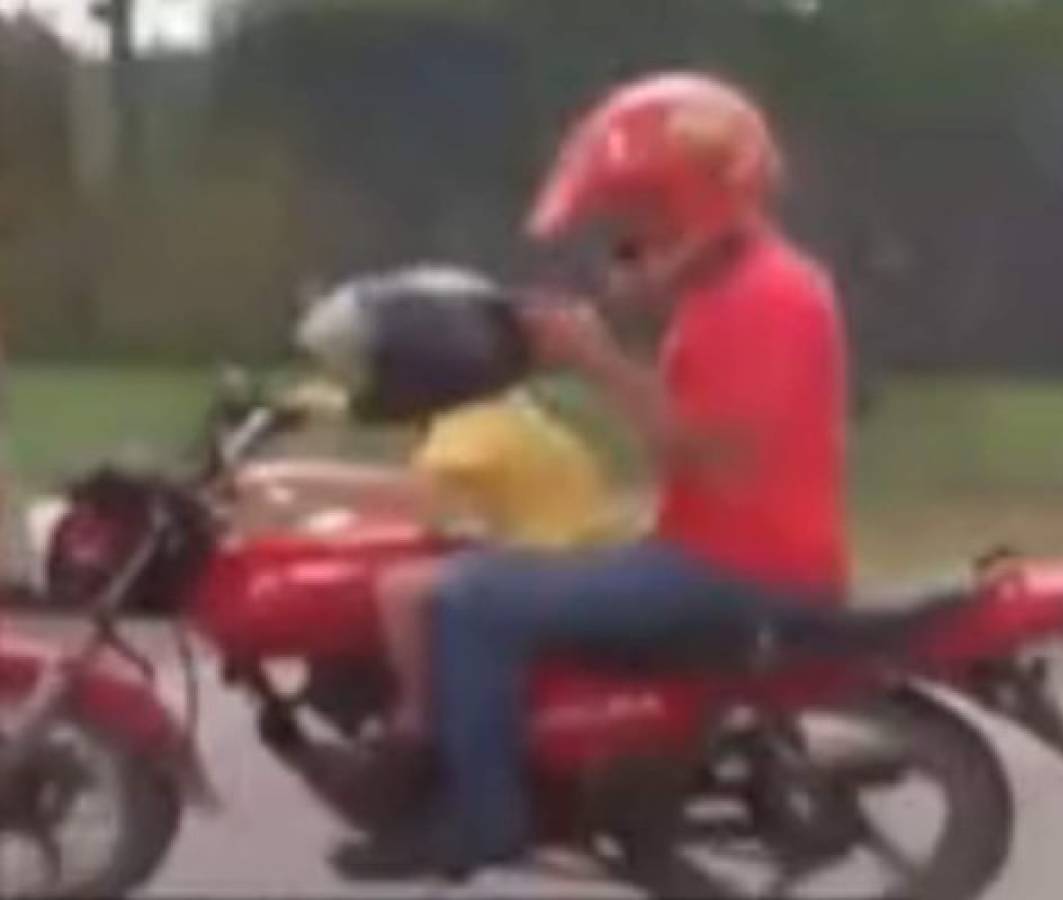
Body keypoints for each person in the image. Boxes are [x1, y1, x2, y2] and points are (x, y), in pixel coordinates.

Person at [334, 70, 850, 877]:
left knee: (472, 598)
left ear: (693, 201)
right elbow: (697, 444)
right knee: (493, 569)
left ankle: (484, 817)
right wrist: (601, 336)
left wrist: (595, 359)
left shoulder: (764, 299)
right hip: (712, 549)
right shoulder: (734, 293)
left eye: (644, 214)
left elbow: (708, 450)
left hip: (737, 572)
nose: (634, 235)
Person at [238, 379, 627, 738]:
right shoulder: (491, 406)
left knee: (399, 588)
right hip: (554, 543)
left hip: (547, 557)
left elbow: (409, 496)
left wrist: (288, 474)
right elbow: (384, 410)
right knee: (361, 534)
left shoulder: (472, 425)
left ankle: (417, 719)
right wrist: (306, 407)